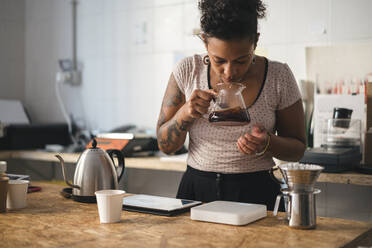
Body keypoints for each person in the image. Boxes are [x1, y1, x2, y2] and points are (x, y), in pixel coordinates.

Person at [156, 0, 306, 210]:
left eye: (241, 60)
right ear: (204, 41)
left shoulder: (278, 76)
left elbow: (298, 148)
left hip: (258, 190)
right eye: (219, 61)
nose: (229, 72)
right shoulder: (188, 70)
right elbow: (166, 146)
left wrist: (267, 144)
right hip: (197, 191)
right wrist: (184, 114)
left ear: (255, 41)